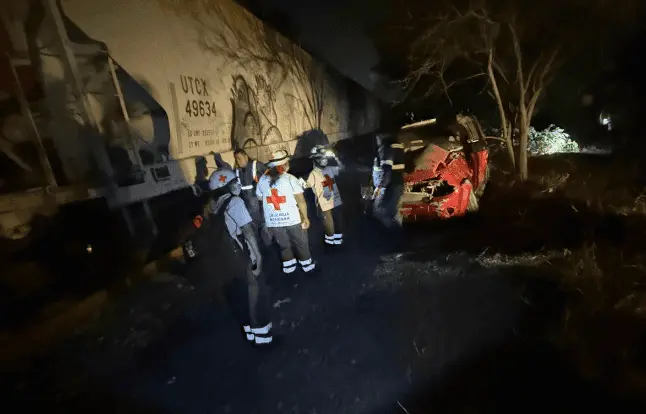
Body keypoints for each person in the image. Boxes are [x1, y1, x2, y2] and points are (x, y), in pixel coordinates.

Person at [207, 168, 273, 346]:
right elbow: (247, 231)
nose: (237, 185)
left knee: (241, 297)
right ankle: (263, 340)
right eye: (233, 183)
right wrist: (258, 256)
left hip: (228, 261)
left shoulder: (215, 206)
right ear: (225, 186)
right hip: (241, 256)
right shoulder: (235, 201)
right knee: (257, 293)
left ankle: (250, 335)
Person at [256, 149, 316, 274]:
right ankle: (307, 266)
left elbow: (260, 198)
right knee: (300, 243)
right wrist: (305, 218)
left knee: (283, 245)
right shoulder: (290, 179)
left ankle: (289, 267)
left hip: (274, 221)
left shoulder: (262, 180)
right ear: (284, 164)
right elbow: (301, 201)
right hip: (292, 220)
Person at [304, 145, 344, 247]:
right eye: (321, 158)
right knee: (329, 226)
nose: (324, 160)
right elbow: (305, 185)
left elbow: (342, 169)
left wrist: (336, 158)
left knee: (338, 223)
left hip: (336, 201)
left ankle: (338, 243)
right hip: (324, 205)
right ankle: (330, 245)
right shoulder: (313, 174)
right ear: (315, 160)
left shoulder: (330, 169)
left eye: (325, 158)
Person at [234, 149, 270, 245]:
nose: (238, 161)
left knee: (266, 231)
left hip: (261, 207)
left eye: (239, 158)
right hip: (249, 209)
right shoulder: (237, 172)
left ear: (246, 157)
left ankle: (270, 247)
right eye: (236, 159)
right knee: (256, 233)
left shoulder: (257, 165)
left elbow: (270, 178)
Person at [374, 131, 406, 229]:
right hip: (397, 184)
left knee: (381, 212)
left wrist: (380, 187)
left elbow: (386, 169)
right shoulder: (398, 147)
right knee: (393, 213)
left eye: (377, 138)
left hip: (389, 186)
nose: (376, 141)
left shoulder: (386, 149)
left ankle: (392, 234)